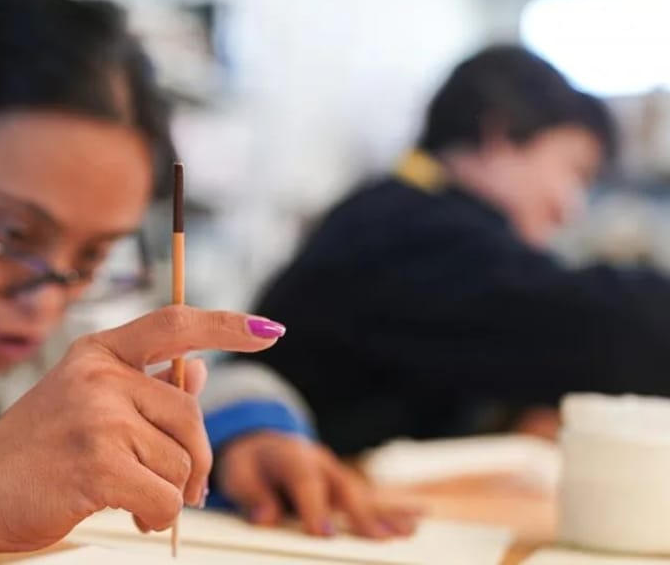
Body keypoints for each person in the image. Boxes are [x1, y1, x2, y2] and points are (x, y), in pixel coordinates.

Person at [0, 0, 415, 562]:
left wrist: (245, 435)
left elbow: (161, 389)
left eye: (94, 256)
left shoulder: (27, 319)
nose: (46, 303)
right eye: (12, 233)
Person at [233, 44, 670, 458]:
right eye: (574, 171)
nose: (570, 209)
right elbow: (614, 330)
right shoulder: (405, 229)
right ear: (500, 134)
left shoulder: (395, 210)